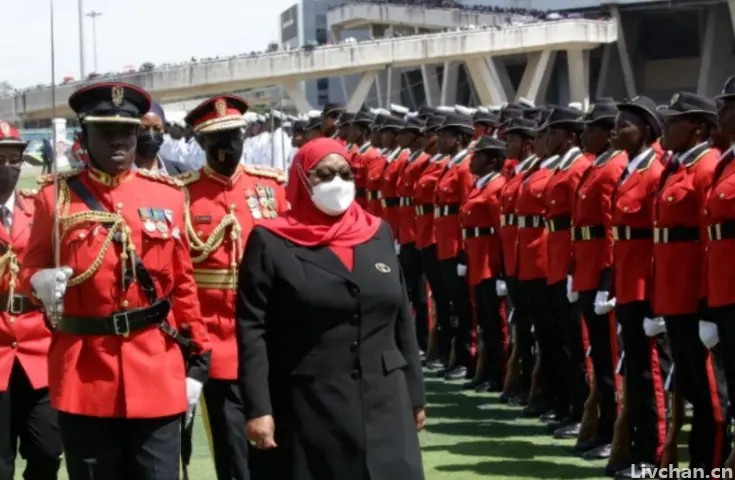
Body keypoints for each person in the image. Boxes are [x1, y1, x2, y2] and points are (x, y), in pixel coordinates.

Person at [19, 82, 212, 480]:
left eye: (127, 131)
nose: (118, 141)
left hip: (155, 366)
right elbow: (26, 273)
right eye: (105, 131)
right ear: (84, 135)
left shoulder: (170, 196)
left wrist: (198, 359)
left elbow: (183, 285)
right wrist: (39, 282)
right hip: (85, 371)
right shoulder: (54, 198)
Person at [236, 137, 426, 480]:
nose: (336, 182)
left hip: (385, 401)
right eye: (323, 175)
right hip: (310, 405)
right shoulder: (271, 240)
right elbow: (253, 330)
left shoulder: (377, 231)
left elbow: (400, 317)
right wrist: (259, 408)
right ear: (301, 181)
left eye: (344, 173)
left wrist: (415, 392)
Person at [179, 94, 287, 480]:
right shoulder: (183, 195)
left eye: (234, 136)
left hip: (272, 338)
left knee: (279, 450)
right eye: (217, 140)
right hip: (219, 340)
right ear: (202, 143)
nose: (228, 147)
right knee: (233, 454)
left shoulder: (272, 188)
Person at [653, 91, 728, 472]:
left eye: (672, 121)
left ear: (697, 127)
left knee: (710, 395)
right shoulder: (679, 166)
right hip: (674, 291)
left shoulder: (705, 168)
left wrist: (706, 306)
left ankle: (710, 465)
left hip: (696, 294)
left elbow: (705, 243)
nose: (664, 127)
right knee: (694, 388)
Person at [609, 96, 670, 479]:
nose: (616, 131)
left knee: (651, 373)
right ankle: (637, 449)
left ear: (646, 130)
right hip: (627, 282)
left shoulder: (654, 171)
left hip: (647, 286)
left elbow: (658, 240)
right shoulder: (631, 169)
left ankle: (655, 457)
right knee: (634, 371)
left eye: (624, 125)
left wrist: (657, 299)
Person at [0, 121, 62, 479]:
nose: (7, 168)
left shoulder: (38, 210)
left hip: (38, 349)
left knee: (48, 451)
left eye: (14, 160)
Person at [572, 101, 627, 460]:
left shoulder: (611, 170)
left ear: (608, 134)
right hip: (587, 270)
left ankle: (612, 429)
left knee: (609, 360)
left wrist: (607, 280)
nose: (584, 134)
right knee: (599, 356)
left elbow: (610, 231)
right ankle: (603, 425)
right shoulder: (597, 167)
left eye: (591, 128)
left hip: (602, 274)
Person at [459, 136, 508, 392]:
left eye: (477, 156)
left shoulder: (496, 186)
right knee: (485, 320)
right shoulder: (480, 185)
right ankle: (486, 370)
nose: (472, 160)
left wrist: (501, 272)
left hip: (491, 259)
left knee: (495, 321)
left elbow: (501, 232)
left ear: (491, 162)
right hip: (477, 258)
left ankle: (498, 374)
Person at [433, 111, 475, 380]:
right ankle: (453, 354)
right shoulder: (451, 165)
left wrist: (463, 251)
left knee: (461, 306)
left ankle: (464, 357)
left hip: (456, 244)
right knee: (448, 302)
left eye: (445, 135)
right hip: (443, 242)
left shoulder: (464, 168)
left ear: (458, 138)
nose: (439, 139)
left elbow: (466, 211)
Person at [135, 101, 192, 175]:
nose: (151, 134)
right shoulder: (120, 174)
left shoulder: (182, 172)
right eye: (144, 129)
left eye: (157, 129)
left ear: (164, 129)